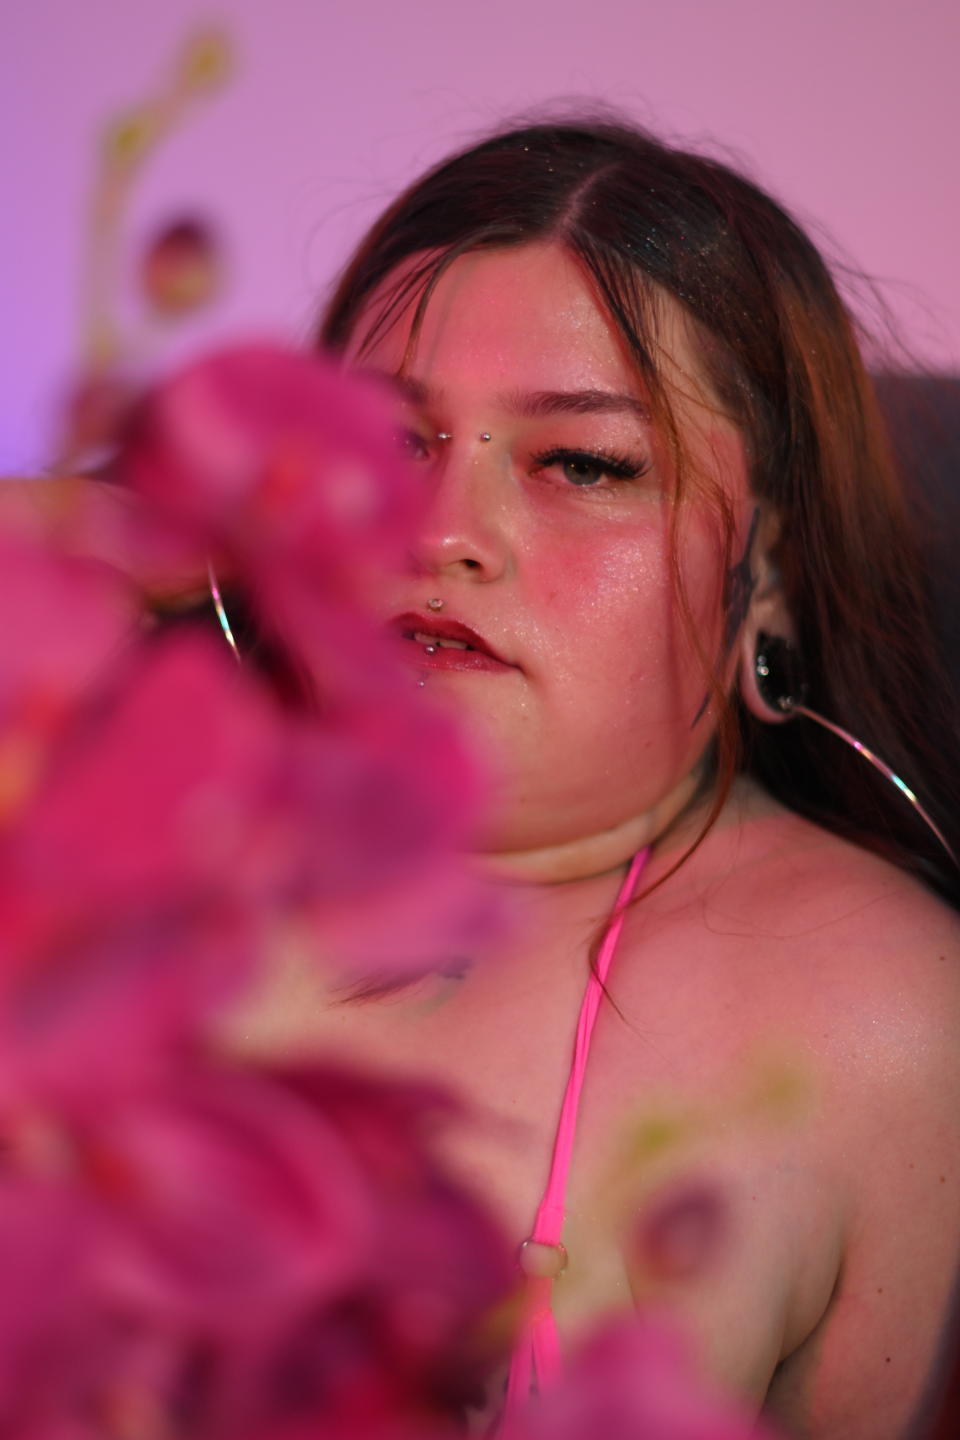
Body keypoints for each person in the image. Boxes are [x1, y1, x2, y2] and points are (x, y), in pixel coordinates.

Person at [264, 116, 959, 1438]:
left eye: (582, 463)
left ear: (769, 579)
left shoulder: (886, 1020)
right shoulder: (105, 878)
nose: (442, 534)